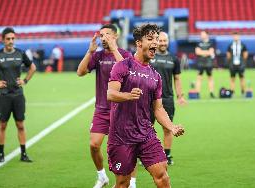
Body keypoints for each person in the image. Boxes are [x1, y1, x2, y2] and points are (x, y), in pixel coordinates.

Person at [107, 24, 185, 188]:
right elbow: (111, 94)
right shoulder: (122, 66)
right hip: (121, 136)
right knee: (123, 183)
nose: (155, 43)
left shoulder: (155, 76)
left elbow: (158, 108)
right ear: (139, 43)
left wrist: (171, 127)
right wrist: (128, 95)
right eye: (150, 39)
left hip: (146, 133)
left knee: (162, 176)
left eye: (156, 39)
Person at [77, 24, 133, 188]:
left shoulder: (125, 54)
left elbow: (127, 72)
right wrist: (90, 52)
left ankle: (132, 183)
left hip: (122, 110)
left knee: (127, 148)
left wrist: (114, 49)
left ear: (115, 36)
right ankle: (102, 176)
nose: (103, 38)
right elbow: (80, 72)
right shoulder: (98, 55)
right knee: (94, 145)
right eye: (101, 35)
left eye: (106, 35)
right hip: (102, 109)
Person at [0, 27, 36, 163]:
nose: (11, 41)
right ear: (2, 40)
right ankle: (1, 154)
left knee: (20, 124)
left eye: (13, 38)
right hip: (3, 96)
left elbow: (32, 67)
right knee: (2, 125)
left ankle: (23, 154)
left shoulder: (20, 53)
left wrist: (25, 80)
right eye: (8, 39)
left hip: (18, 95)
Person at [150, 31, 187, 165]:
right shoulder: (150, 56)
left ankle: (167, 154)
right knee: (148, 127)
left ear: (168, 42)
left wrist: (180, 96)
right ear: (156, 41)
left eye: (165, 41)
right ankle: (149, 154)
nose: (163, 43)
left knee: (168, 127)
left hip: (167, 98)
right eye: (160, 40)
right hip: (149, 99)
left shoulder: (174, 59)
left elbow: (177, 79)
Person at [195, 30, 215, 98]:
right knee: (199, 78)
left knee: (210, 78)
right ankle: (197, 93)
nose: (202, 35)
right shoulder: (198, 43)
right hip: (200, 63)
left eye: (203, 34)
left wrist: (202, 52)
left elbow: (211, 52)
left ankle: (211, 92)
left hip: (209, 63)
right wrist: (207, 52)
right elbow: (197, 52)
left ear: (207, 35)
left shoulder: (211, 43)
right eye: (201, 34)